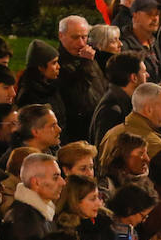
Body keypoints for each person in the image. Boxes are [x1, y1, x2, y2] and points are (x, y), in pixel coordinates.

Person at [2, 153, 65, 240]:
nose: (62, 182)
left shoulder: (41, 214)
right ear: (36, 183)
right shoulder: (23, 224)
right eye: (56, 177)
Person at [56, 16, 108, 145]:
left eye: (84, 37)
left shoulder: (88, 58)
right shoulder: (58, 64)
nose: (81, 43)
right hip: (77, 132)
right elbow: (77, 94)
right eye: (75, 37)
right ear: (61, 36)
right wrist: (86, 64)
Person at [88, 54, 148, 147]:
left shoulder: (121, 101)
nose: (148, 75)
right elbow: (105, 152)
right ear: (134, 78)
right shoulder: (112, 110)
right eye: (144, 72)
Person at [15, 40, 66, 119]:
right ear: (41, 68)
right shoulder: (29, 96)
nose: (58, 67)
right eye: (54, 63)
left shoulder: (52, 86)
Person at [121, 0, 161, 84]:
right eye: (150, 14)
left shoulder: (154, 41)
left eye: (157, 14)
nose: (155, 18)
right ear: (135, 16)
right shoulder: (124, 46)